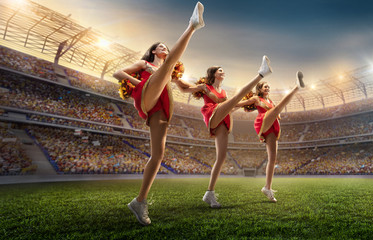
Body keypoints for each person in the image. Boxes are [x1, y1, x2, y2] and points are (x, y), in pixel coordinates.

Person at [112, 2, 205, 225]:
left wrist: (202, 88)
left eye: (166, 46)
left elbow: (185, 88)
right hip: (145, 95)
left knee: (158, 156)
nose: (164, 48)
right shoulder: (145, 63)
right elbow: (118, 72)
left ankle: (139, 201)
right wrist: (139, 84)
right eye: (161, 46)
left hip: (162, 109)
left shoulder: (169, 72)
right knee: (169, 65)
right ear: (154, 51)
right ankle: (192, 25)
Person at [174, 56, 273, 208]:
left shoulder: (224, 92)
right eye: (220, 70)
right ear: (213, 74)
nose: (223, 72)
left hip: (224, 120)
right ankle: (261, 74)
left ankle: (210, 193)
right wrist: (175, 78)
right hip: (213, 114)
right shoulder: (205, 87)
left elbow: (231, 107)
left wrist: (246, 103)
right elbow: (186, 88)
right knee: (237, 96)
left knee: (221, 158)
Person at [236, 71, 305, 202]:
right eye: (265, 86)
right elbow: (242, 103)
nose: (267, 88)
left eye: (268, 87)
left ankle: (267, 188)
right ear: (260, 89)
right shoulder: (257, 99)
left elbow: (276, 112)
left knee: (272, 159)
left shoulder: (270, 101)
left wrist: (276, 114)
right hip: (263, 121)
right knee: (280, 107)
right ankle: (296, 86)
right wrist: (231, 104)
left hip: (273, 126)